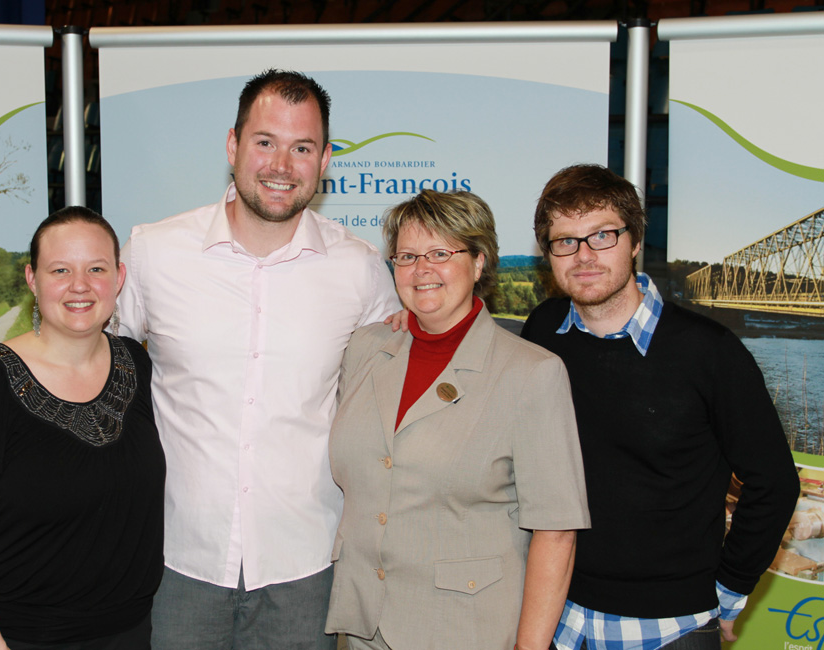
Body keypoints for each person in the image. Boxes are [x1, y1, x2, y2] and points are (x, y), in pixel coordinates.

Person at [117, 69, 401, 650]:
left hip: (306, 566)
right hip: (176, 562)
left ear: (325, 161)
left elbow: (391, 396)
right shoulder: (153, 253)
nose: (281, 164)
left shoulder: (361, 269)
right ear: (233, 145)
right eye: (265, 142)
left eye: (302, 148)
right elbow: (96, 372)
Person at [521, 164, 800, 650]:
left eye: (602, 236)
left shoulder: (708, 352)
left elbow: (774, 482)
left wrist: (728, 594)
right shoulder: (544, 331)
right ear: (548, 253)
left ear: (634, 241)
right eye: (565, 241)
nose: (583, 256)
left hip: (668, 626)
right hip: (555, 612)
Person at [324, 189, 590, 650]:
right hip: (364, 623)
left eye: (441, 253)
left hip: (467, 630)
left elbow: (557, 531)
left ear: (480, 261)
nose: (421, 269)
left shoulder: (532, 373)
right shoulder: (366, 349)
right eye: (406, 256)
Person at [0, 206, 165, 650]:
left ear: (119, 277)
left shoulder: (140, 365)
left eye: (96, 268)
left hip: (130, 634)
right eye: (60, 270)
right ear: (32, 280)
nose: (80, 285)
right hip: (16, 638)